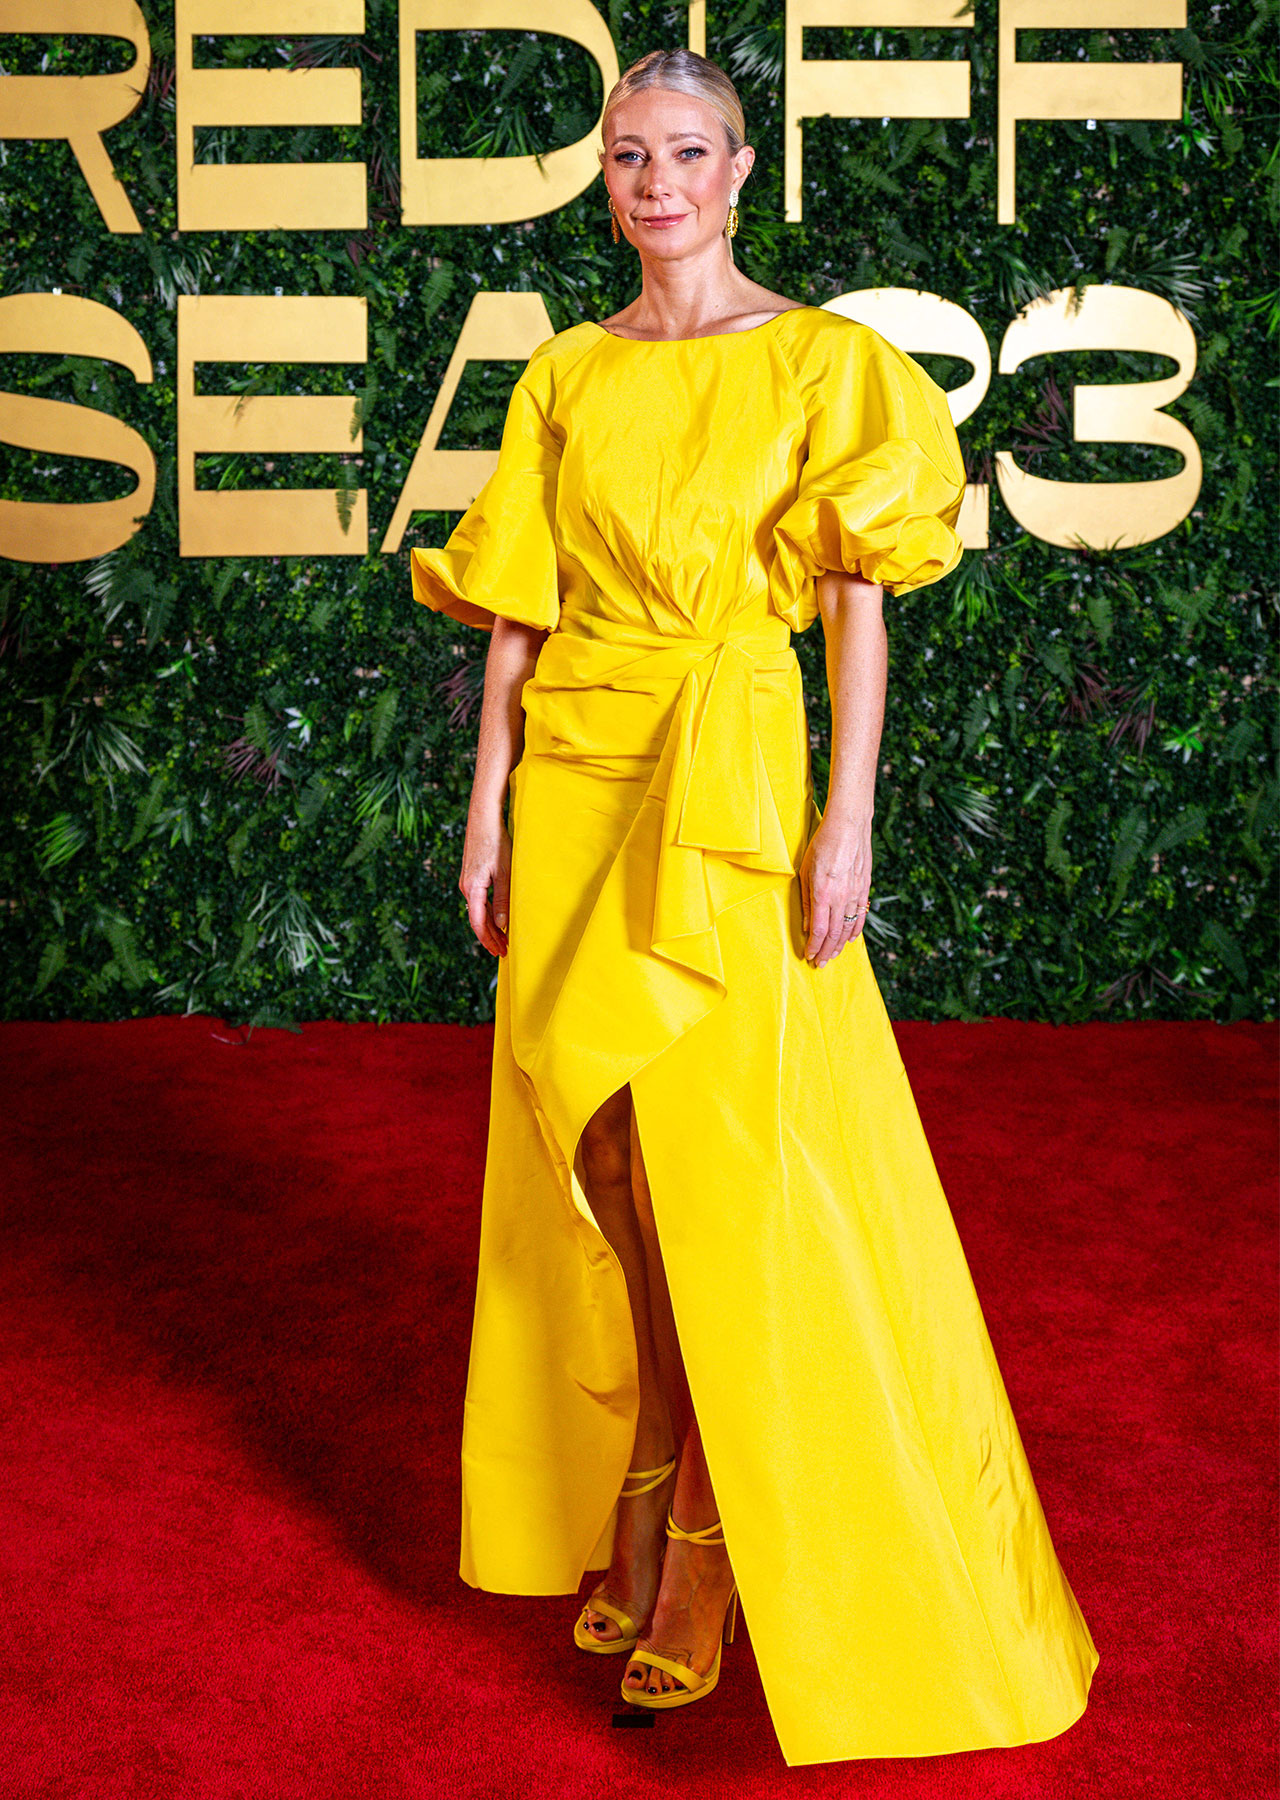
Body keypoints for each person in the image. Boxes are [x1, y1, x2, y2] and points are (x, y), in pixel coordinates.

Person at [409, 45, 1099, 1769]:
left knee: (729, 1162)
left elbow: (860, 604)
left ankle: (712, 1529)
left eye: (685, 152)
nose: (655, 182)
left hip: (727, 771)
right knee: (607, 1152)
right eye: (628, 156)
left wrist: (845, 820)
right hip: (579, 764)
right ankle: (648, 1463)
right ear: (609, 182)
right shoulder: (566, 371)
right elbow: (519, 604)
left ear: (738, 170)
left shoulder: (824, 361)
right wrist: (487, 806)